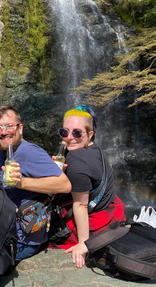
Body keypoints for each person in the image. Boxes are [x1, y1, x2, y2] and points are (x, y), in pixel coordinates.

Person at [0, 105, 71, 261]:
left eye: (9, 126)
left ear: (20, 128)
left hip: (24, 240)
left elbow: (64, 185)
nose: (4, 132)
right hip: (4, 233)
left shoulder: (30, 152)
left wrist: (21, 183)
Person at [53, 105, 126, 268]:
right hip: (110, 212)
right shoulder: (94, 149)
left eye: (77, 133)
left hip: (92, 223)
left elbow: (81, 205)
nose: (69, 137)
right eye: (64, 132)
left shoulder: (76, 161)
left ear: (90, 134)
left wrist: (84, 244)